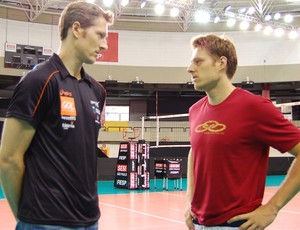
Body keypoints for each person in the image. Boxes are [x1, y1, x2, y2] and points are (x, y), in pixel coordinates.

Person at [0, 1, 114, 229]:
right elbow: (9, 159)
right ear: (76, 29)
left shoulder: (97, 91)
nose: (104, 45)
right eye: (100, 35)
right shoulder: (39, 81)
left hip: (90, 220)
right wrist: (26, 217)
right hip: (45, 222)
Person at [184, 34, 300, 230]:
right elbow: (194, 152)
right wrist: (190, 200)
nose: (190, 68)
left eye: (198, 61)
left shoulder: (255, 107)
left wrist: (272, 208)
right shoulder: (195, 110)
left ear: (221, 63)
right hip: (198, 224)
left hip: (236, 225)